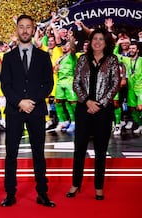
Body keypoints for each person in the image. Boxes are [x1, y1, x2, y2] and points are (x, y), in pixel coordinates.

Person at [0, 14, 55, 207]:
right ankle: (10, 194)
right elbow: (5, 85)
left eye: (28, 27)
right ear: (17, 30)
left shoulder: (42, 56)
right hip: (15, 111)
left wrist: (32, 101)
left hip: (37, 110)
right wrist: (19, 102)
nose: (24, 30)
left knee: (38, 153)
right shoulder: (8, 58)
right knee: (11, 154)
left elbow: (48, 84)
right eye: (21, 27)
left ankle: (42, 193)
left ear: (33, 30)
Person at [66, 28, 120, 200]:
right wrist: (87, 101)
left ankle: (98, 187)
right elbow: (76, 83)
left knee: (101, 150)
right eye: (94, 38)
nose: (97, 42)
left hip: (103, 111)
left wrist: (100, 104)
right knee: (79, 148)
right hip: (84, 108)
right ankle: (75, 184)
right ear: (90, 41)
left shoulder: (112, 60)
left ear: (106, 42)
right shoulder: (82, 59)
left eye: (101, 39)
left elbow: (115, 84)